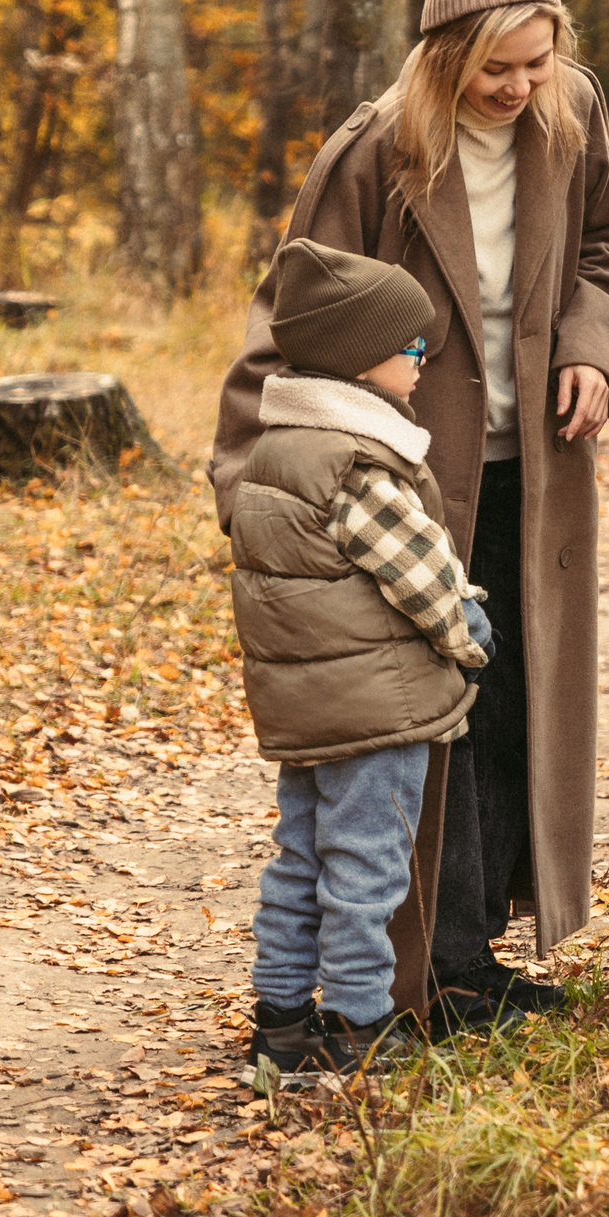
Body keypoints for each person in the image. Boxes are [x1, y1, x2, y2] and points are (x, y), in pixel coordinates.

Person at [214, 0, 609, 1036]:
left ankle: (469, 955)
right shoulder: (374, 150)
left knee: (506, 705)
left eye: (537, 63)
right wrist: (258, 493)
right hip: (392, 483)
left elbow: (602, 250)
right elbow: (290, 314)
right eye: (497, 68)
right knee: (415, 720)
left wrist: (597, 351)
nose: (519, 88)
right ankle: (414, 975)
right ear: (446, 57)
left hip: (534, 465)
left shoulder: (572, 113)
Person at [231, 240, 496, 1077]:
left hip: (308, 705)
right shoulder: (362, 463)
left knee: (301, 857)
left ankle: (279, 1020)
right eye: (410, 347)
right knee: (368, 866)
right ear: (359, 361)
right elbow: (423, 578)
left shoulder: (275, 451)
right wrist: (469, 637)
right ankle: (359, 1025)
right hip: (377, 709)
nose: (422, 362)